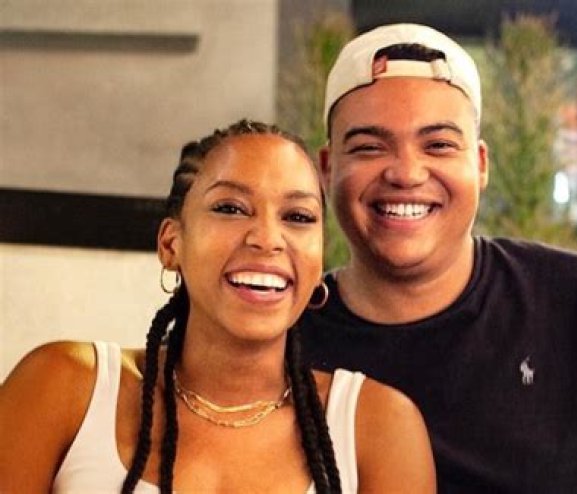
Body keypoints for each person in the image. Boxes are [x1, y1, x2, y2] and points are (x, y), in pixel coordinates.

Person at [299, 23, 577, 492]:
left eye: (438, 145)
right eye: (369, 147)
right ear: (327, 168)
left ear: (480, 164)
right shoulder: (283, 338)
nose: (406, 173)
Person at [0, 119, 435, 493]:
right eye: (230, 208)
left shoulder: (377, 427)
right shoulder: (65, 386)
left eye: (298, 217)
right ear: (171, 243)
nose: (267, 238)